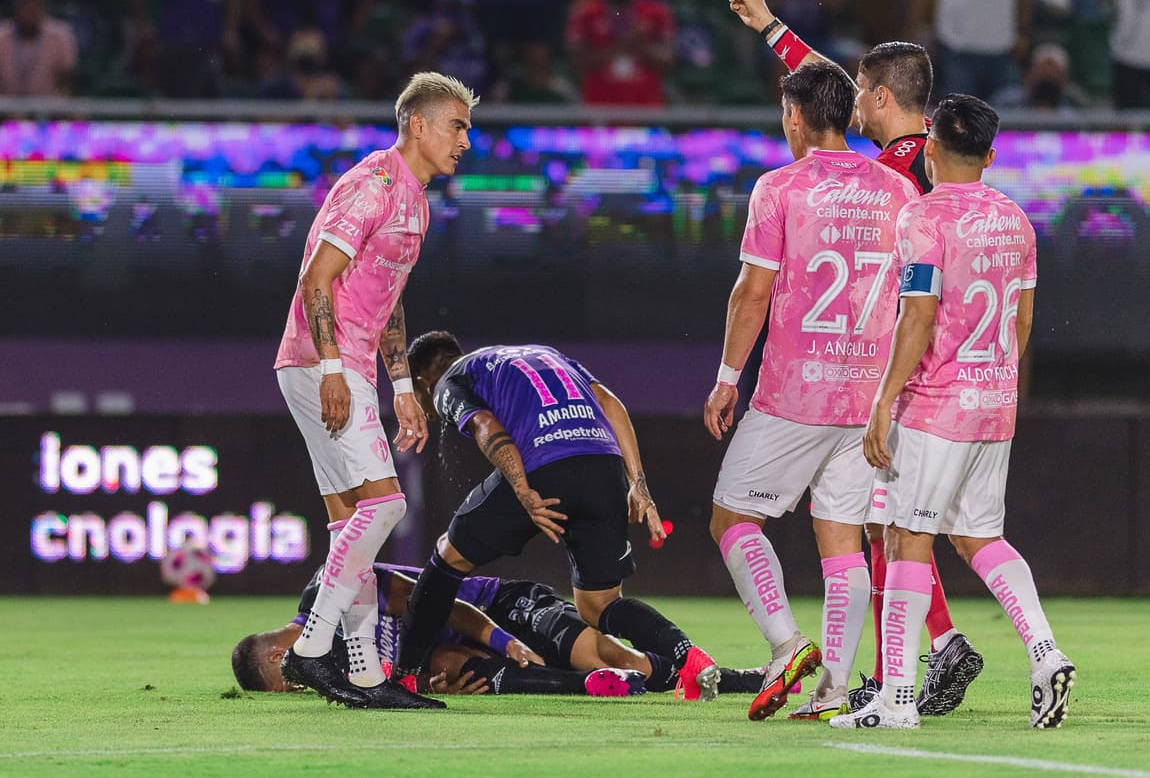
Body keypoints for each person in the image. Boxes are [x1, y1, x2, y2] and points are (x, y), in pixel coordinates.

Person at [726, 0, 985, 718]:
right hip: (922, 361)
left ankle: (926, 652)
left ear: (879, 99)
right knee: (890, 522)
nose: (855, 102)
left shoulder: (899, 173)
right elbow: (835, 93)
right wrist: (774, 26)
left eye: (864, 92)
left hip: (896, 369)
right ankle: (920, 653)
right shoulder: (916, 154)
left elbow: (829, 101)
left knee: (894, 524)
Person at [832, 93, 1075, 732]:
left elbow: (919, 316)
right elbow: (1022, 321)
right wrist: (992, 379)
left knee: (905, 537)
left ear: (931, 148)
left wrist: (883, 403)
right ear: (991, 156)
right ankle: (1045, 651)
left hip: (936, 404)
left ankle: (898, 701)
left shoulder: (924, 217)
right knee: (979, 536)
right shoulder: (1017, 220)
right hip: (994, 402)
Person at [702, 60, 919, 723]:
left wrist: (727, 378)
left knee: (732, 517)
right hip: (868, 398)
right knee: (842, 542)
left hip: (794, 394)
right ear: (849, 115)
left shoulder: (779, 188)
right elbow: (918, 299)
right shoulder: (897, 191)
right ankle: (829, 692)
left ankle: (786, 643)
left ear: (795, 114)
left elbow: (753, 293)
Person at [273, 71, 477, 710]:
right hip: (320, 362)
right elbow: (317, 279)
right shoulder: (373, 185)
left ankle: (363, 675)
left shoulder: (415, 199)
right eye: (457, 126)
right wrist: (335, 368)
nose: (465, 141)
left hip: (346, 365)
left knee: (348, 524)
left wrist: (401, 385)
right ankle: (311, 649)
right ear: (419, 124)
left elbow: (385, 300)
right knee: (385, 506)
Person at [390, 332, 725, 702]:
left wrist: (521, 489)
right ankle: (690, 656)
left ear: (421, 382)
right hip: (604, 465)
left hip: (544, 465)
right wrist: (638, 483)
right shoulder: (543, 353)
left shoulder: (449, 380)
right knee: (599, 606)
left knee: (446, 559)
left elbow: (484, 425)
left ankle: (406, 678)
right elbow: (608, 403)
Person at [232, 562, 769, 698]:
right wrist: (436, 680)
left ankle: (739, 677)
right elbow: (433, 654)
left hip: (501, 606)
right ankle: (591, 687)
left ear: (274, 652)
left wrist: (501, 641)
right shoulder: (341, 666)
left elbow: (434, 603)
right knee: (452, 671)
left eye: (290, 672)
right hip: (464, 642)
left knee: (606, 655)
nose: (304, 677)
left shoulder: (329, 589)